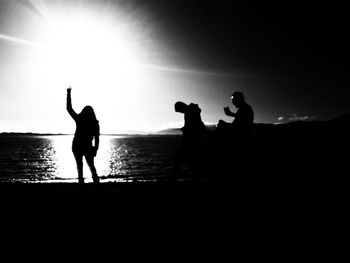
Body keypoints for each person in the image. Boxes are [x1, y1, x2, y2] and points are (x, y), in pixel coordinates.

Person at [66, 86, 100, 184]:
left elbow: (69, 109)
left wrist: (68, 94)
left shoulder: (80, 120)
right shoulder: (94, 123)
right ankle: (95, 184)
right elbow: (97, 138)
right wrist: (95, 149)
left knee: (81, 167)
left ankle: (84, 185)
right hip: (82, 146)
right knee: (90, 166)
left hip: (79, 146)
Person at [171, 101, 206, 182]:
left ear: (181, 107)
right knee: (192, 162)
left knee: (179, 160)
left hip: (189, 141)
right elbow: (195, 124)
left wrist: (186, 129)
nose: (180, 112)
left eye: (179, 111)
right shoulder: (191, 111)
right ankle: (195, 179)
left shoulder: (190, 112)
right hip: (191, 141)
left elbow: (194, 126)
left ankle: (172, 180)